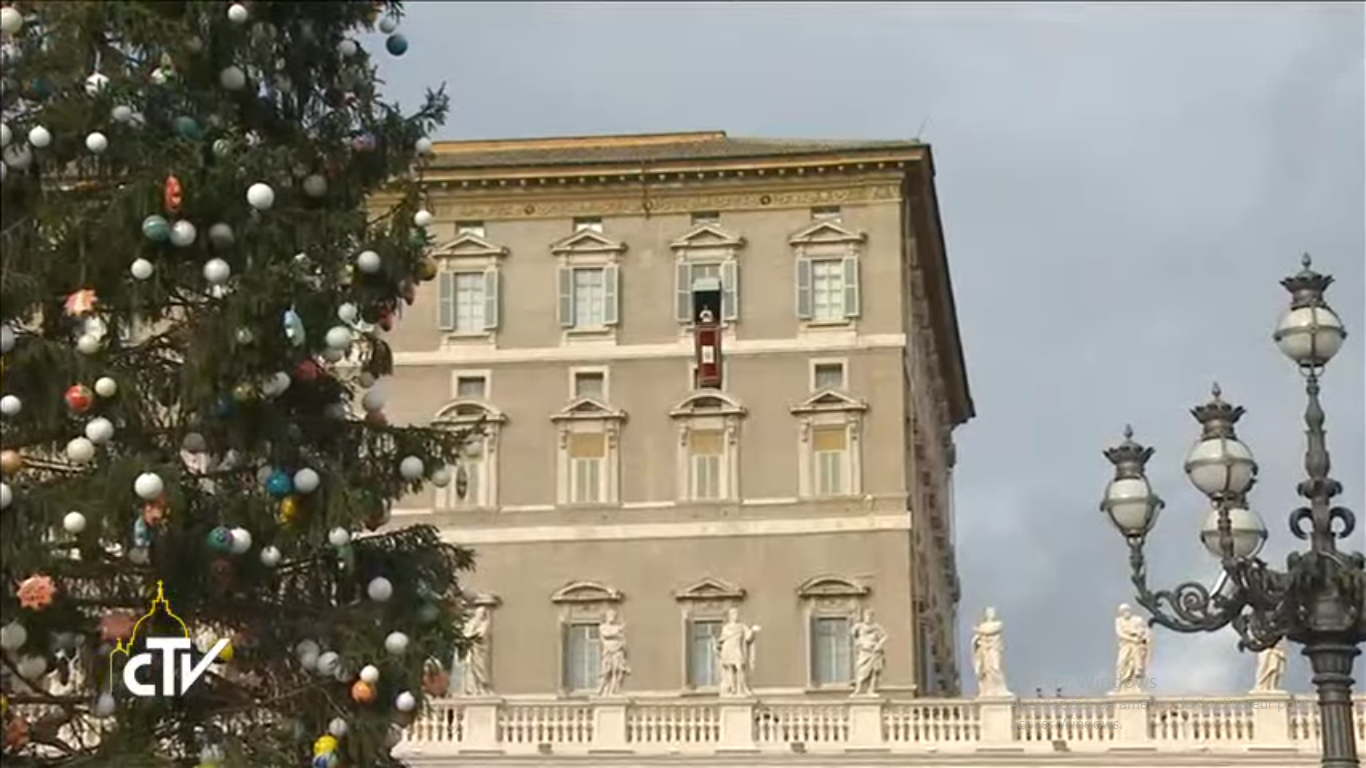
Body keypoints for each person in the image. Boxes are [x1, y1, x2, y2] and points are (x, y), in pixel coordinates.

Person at [715, 607, 759, 697]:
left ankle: (741, 688)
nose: (735, 616)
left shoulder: (741, 626)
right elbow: (722, 639)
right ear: (730, 616)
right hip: (728, 649)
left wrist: (753, 630)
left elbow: (748, 637)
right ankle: (732, 688)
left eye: (736, 614)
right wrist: (718, 646)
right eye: (733, 614)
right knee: (730, 669)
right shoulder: (726, 628)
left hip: (737, 649)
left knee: (740, 668)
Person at [972, 607, 1010, 696]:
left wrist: (978, 630)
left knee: (995, 667)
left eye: (992, 612)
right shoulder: (983, 626)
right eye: (989, 613)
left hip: (994, 648)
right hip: (985, 649)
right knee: (987, 670)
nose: (991, 614)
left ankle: (1000, 688)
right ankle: (988, 689)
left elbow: (991, 630)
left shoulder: (997, 624)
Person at [851, 609, 888, 696]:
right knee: (861, 671)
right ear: (864, 617)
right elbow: (853, 633)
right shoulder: (859, 626)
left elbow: (885, 636)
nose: (869, 618)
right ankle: (858, 689)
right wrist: (858, 642)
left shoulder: (877, 627)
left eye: (871, 616)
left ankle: (871, 690)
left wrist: (879, 645)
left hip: (874, 653)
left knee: (874, 672)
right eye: (867, 616)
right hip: (864, 652)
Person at [597, 609, 630, 696]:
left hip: (617, 651)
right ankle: (601, 690)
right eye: (610, 616)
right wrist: (618, 633)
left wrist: (619, 635)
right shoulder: (603, 627)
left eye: (613, 616)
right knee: (606, 671)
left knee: (617, 671)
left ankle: (614, 690)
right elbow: (606, 635)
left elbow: (622, 640)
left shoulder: (617, 627)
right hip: (608, 652)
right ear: (606, 617)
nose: (612, 618)